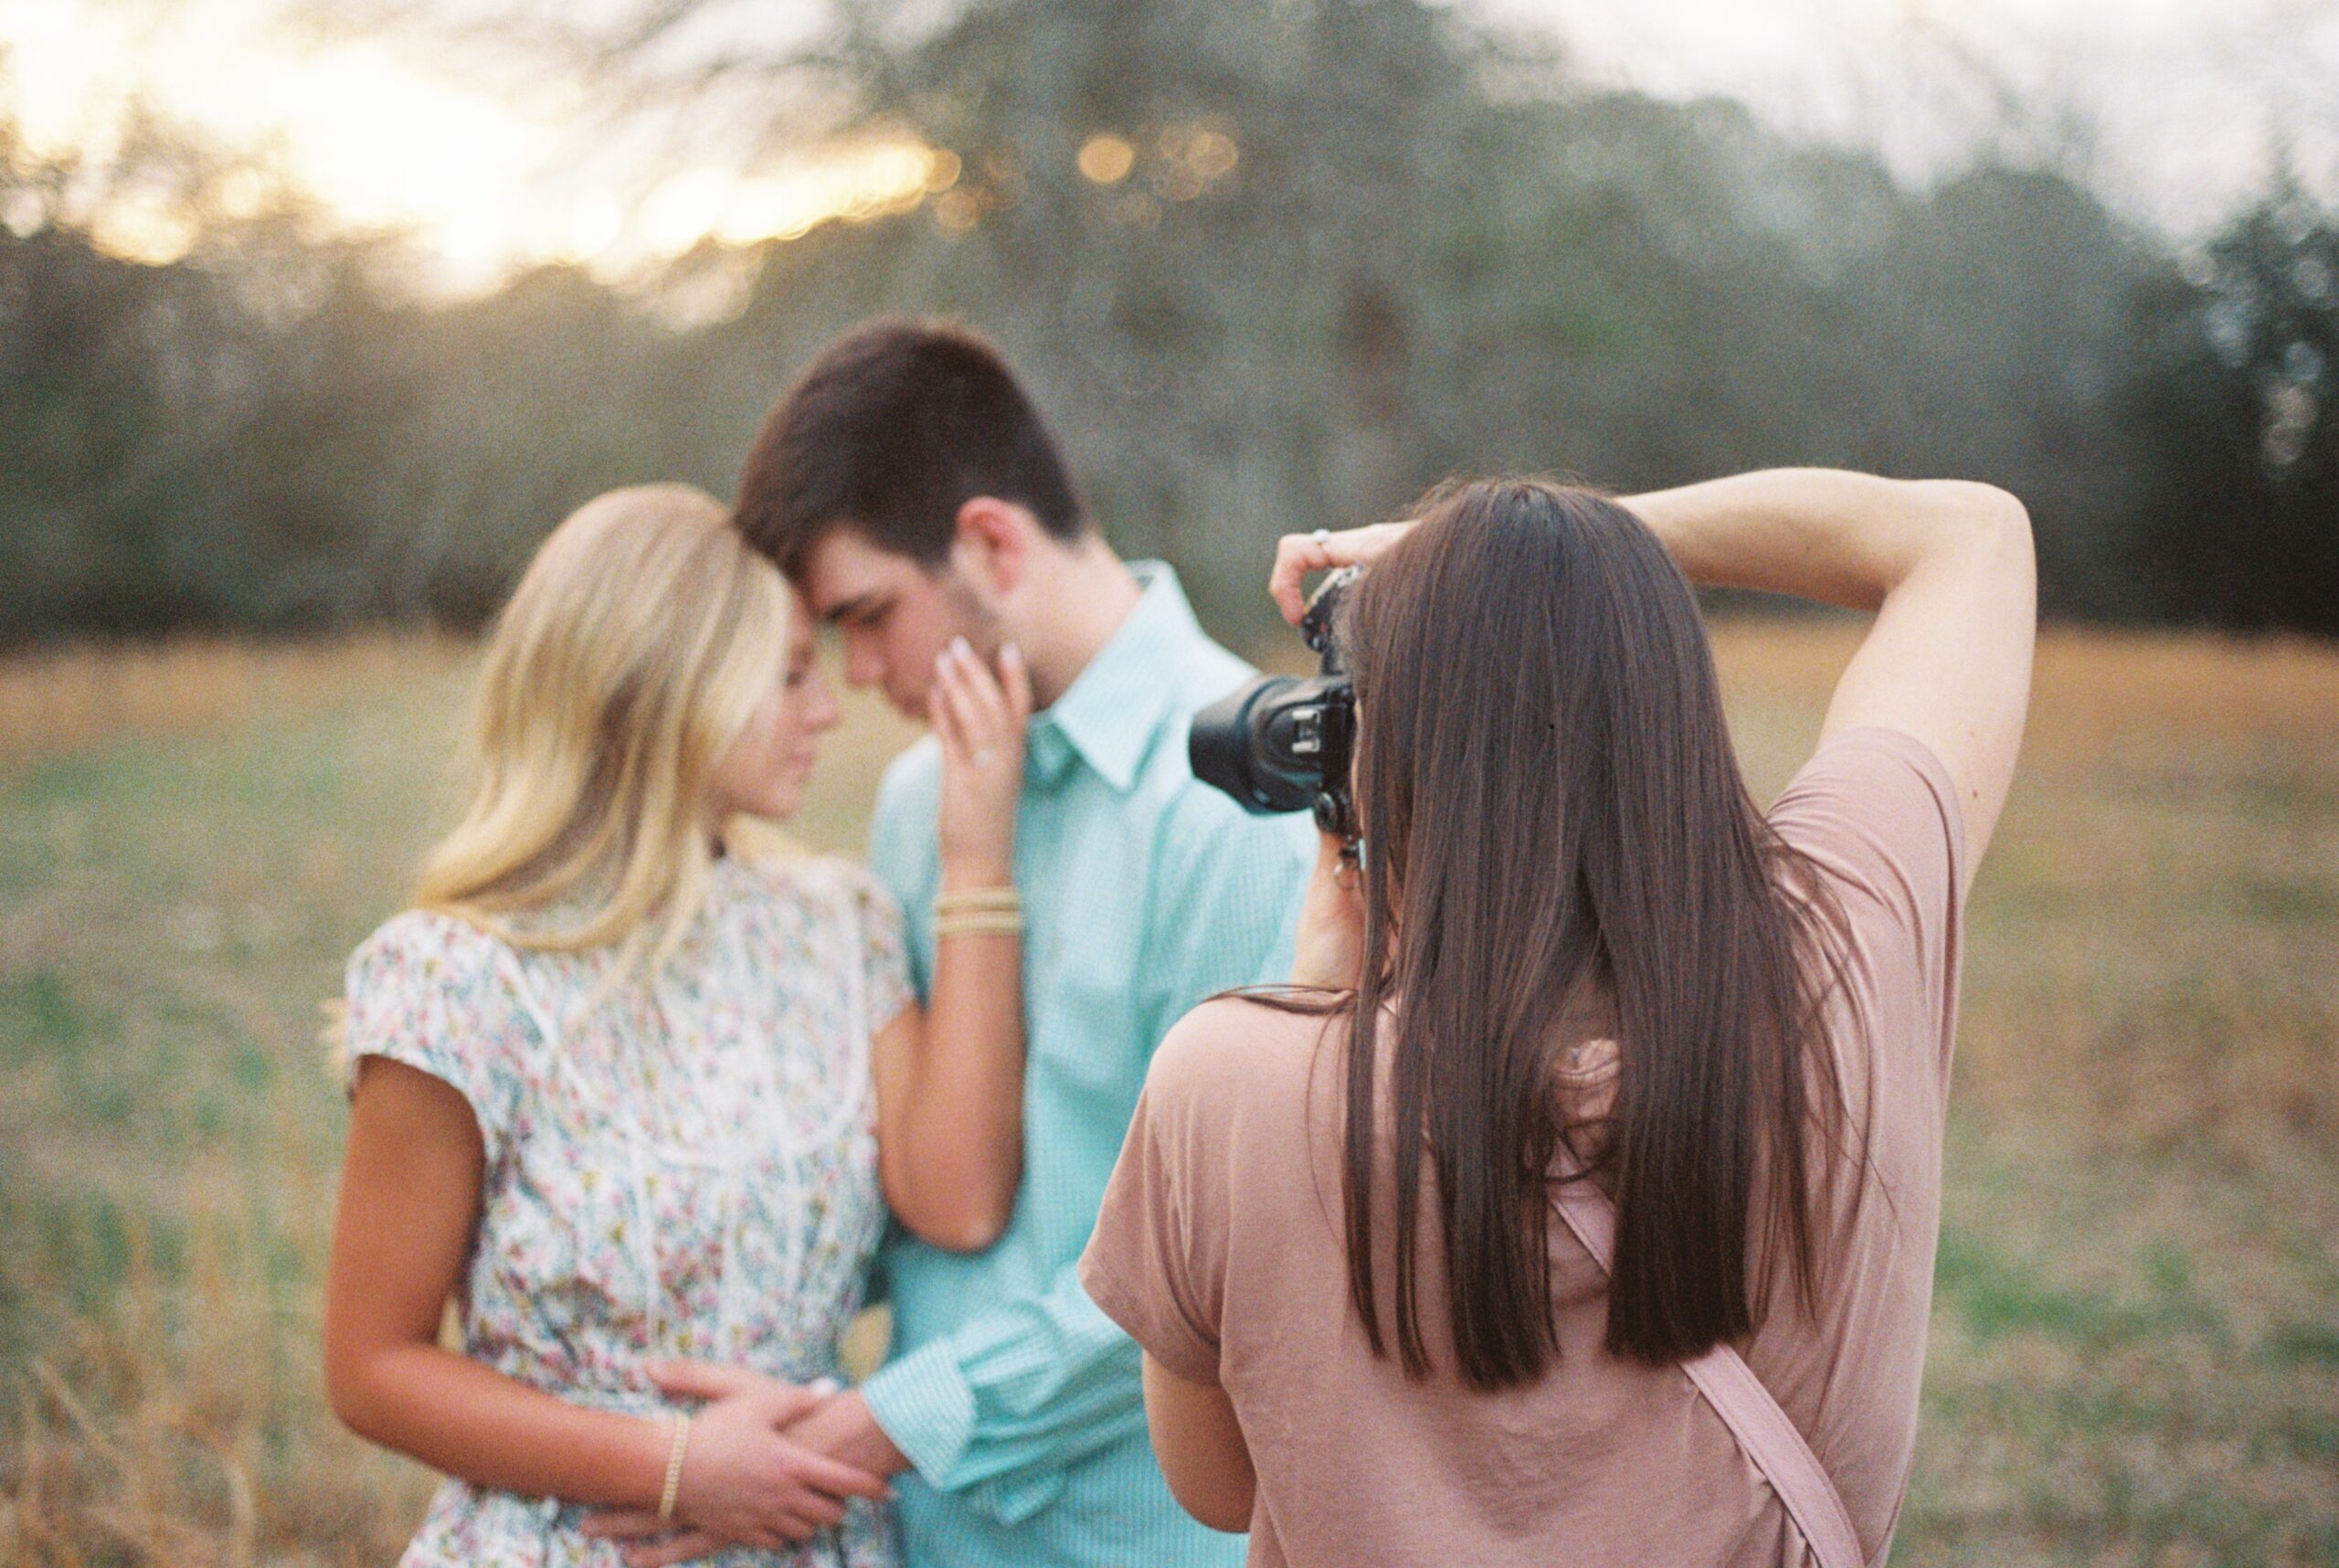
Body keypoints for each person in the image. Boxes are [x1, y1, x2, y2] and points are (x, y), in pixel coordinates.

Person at [1080, 469, 2036, 1566]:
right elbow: (1969, 536)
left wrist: (1332, 1005)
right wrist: (1579, 556)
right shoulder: (1846, 959)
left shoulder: (1229, 1086)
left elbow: (1218, 1482)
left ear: (1383, 765)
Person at [594, 320, 1318, 1568]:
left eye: (869, 616)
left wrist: (887, 1422)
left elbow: (1217, 1273)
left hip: (1137, 1542)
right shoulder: (917, 802)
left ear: (989, 541)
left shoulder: (1244, 811)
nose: (861, 672)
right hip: (913, 1530)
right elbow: (913, 1169)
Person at [323, 482, 1038, 1567]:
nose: (829, 707)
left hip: (812, 1539)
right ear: (663, 686)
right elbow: (372, 1367)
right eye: (789, 673)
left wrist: (977, 861)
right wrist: (670, 1465)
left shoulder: (834, 926)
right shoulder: (455, 980)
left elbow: (960, 1198)